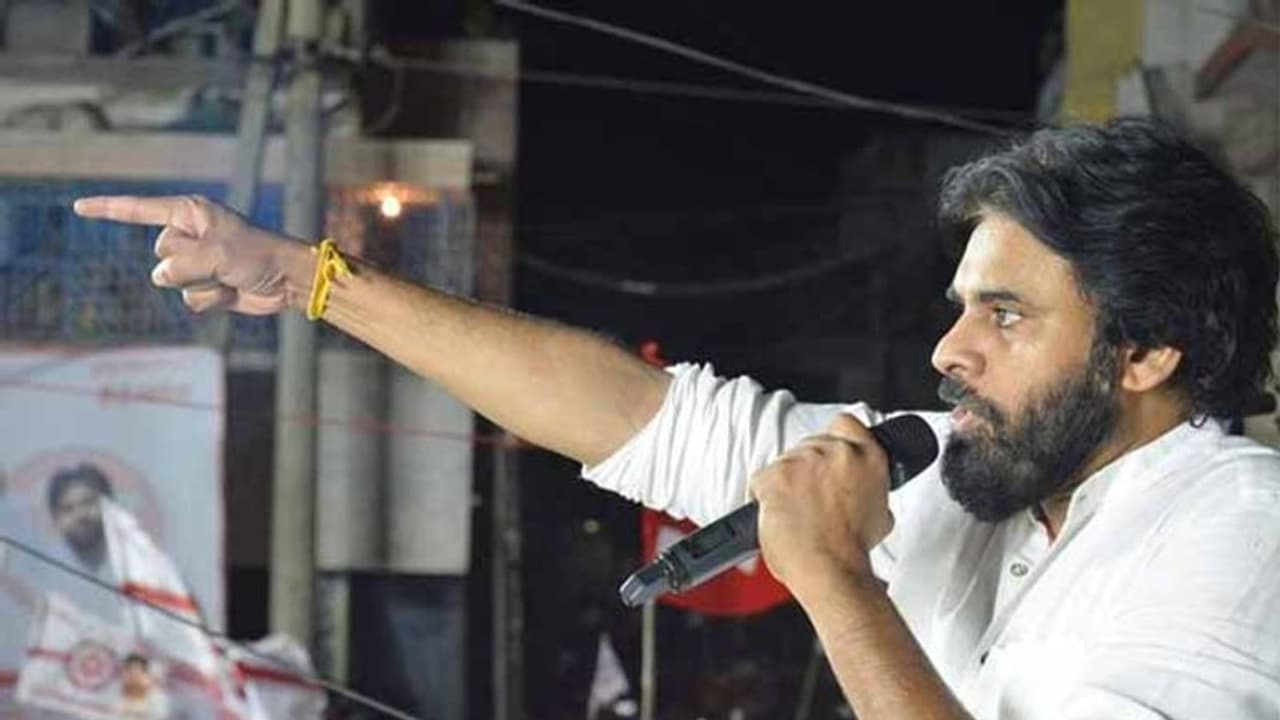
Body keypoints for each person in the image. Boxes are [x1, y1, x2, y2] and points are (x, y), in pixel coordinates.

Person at [73, 118, 1280, 719]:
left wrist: (832, 578)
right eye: (959, 306)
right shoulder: (970, 475)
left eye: (1004, 316)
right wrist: (311, 280)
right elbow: (643, 418)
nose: (947, 351)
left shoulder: (1237, 530)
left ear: (1145, 349)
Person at [46, 463, 115, 576]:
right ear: (56, 520)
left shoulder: (138, 564)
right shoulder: (46, 571)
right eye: (68, 509)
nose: (80, 514)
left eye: (88, 502)